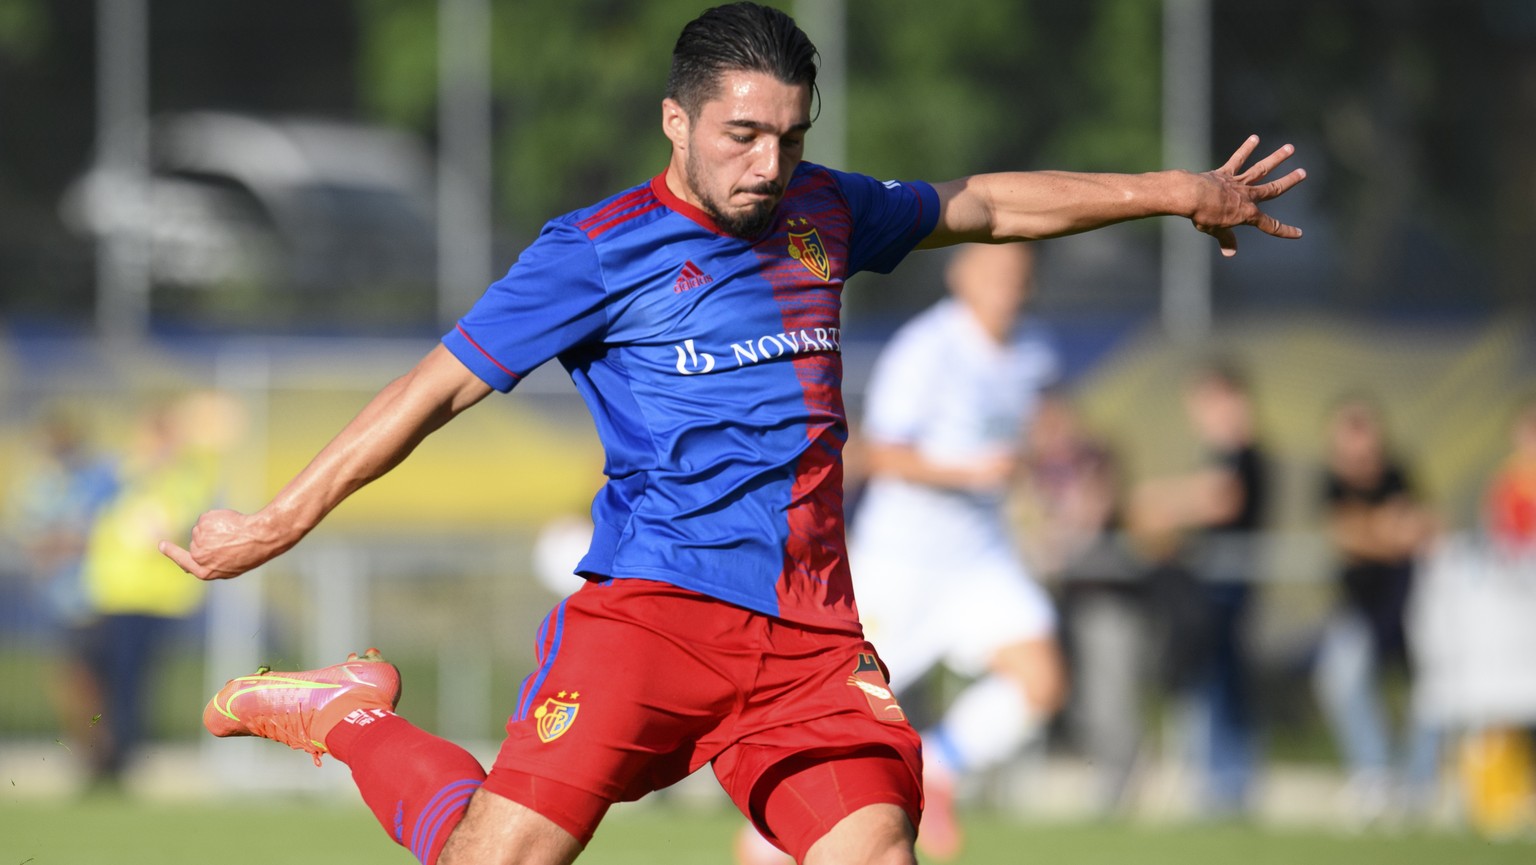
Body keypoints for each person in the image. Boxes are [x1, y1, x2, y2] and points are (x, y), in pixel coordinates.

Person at [160, 5, 1305, 864]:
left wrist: (1175, 190)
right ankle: (347, 718)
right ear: (677, 120)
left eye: (791, 138)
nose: (768, 166)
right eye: (743, 135)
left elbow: (988, 205)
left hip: (811, 641)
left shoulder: (824, 211)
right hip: (651, 617)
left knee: (876, 851)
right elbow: (428, 391)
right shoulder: (596, 249)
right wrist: (277, 518)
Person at [768, 242, 1065, 862]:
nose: (1009, 283)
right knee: (843, 721)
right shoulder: (927, 350)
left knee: (1042, 680)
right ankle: (765, 840)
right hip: (901, 564)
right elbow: (884, 453)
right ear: (963, 276)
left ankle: (940, 767)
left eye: (1020, 272)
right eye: (996, 270)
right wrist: (972, 474)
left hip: (980, 558)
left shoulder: (1034, 354)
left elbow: (1023, 442)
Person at [76, 393, 238, 787]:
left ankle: (119, 761)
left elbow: (185, 507)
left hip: (153, 599)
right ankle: (102, 753)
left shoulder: (185, 475)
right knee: (97, 677)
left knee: (132, 681)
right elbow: (92, 502)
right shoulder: (123, 471)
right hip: (111, 594)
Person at [1130, 362, 1270, 816]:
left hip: (1228, 591)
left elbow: (1223, 500)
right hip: (1212, 588)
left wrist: (1163, 502)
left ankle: (1227, 786)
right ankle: (1217, 783)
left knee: (1221, 687)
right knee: (1209, 686)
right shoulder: (1219, 455)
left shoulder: (1243, 455)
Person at [1311, 395, 1439, 823]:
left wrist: (1379, 533)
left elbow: (1423, 528)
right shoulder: (1330, 482)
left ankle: (1417, 785)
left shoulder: (1399, 474)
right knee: (1341, 683)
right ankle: (1375, 774)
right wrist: (1383, 531)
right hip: (1358, 606)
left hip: (1409, 603)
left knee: (1432, 692)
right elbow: (1346, 534)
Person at [1020, 389, 1147, 817]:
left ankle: (1121, 784)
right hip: (1065, 597)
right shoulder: (1037, 464)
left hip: (1106, 595)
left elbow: (1090, 514)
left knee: (1109, 695)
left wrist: (1052, 546)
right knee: (1074, 696)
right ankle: (1108, 781)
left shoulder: (1093, 457)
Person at [4, 407, 120, 788]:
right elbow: (35, 538)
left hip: (99, 595)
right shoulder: (42, 484)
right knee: (70, 679)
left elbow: (95, 533)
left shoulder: (98, 479)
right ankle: (90, 753)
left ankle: (102, 754)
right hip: (60, 599)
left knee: (95, 680)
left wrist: (62, 542)